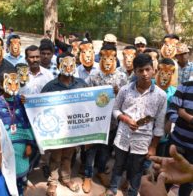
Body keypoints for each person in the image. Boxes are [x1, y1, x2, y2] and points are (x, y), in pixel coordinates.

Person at [104, 54, 167, 196]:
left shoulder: (161, 95)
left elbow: (159, 124)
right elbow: (115, 109)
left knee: (136, 169)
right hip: (122, 137)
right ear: (135, 72)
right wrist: (125, 119)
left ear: (153, 70)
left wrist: (153, 147)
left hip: (143, 141)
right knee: (118, 165)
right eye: (140, 70)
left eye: (147, 69)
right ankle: (113, 188)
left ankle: (132, 192)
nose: (144, 74)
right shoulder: (125, 90)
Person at [41, 52, 88, 196]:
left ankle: (66, 178)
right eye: (65, 65)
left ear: (75, 65)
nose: (68, 68)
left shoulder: (81, 83)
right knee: (56, 156)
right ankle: (53, 182)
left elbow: (90, 104)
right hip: (57, 129)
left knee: (68, 155)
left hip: (73, 129)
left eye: (71, 65)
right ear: (58, 65)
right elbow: (40, 106)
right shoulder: (50, 86)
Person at [83, 44, 127, 193]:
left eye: (111, 57)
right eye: (104, 57)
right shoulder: (94, 76)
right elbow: (86, 97)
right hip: (95, 122)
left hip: (112, 122)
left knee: (106, 150)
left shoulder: (122, 77)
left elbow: (126, 99)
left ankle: (101, 171)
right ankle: (88, 176)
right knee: (91, 150)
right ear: (100, 57)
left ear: (115, 58)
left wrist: (119, 91)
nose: (108, 61)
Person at [0, 70, 36, 195]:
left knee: (21, 176)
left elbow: (28, 122)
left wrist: (29, 144)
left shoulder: (22, 101)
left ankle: (21, 191)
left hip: (21, 146)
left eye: (16, 84)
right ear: (1, 85)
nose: (13, 87)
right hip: (5, 147)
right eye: (9, 83)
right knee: (7, 176)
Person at [166, 79, 193, 196]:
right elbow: (171, 111)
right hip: (176, 144)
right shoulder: (184, 86)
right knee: (165, 176)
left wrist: (185, 116)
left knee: (188, 183)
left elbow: (178, 112)